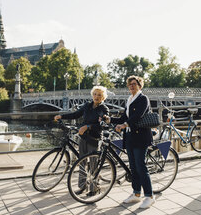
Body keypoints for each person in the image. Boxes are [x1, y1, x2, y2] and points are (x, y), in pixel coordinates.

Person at [105, 75, 155, 209]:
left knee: (140, 166)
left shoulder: (143, 98)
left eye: (134, 84)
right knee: (133, 167)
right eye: (129, 84)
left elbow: (137, 115)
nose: (131, 86)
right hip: (131, 137)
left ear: (139, 85)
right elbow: (124, 117)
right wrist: (110, 120)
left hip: (141, 137)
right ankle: (136, 193)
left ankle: (149, 196)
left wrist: (124, 125)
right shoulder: (130, 99)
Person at [54, 86, 109, 195]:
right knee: (82, 162)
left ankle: (94, 188)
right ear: (92, 95)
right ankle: (82, 186)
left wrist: (88, 126)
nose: (96, 96)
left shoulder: (103, 109)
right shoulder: (87, 105)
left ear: (103, 97)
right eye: (95, 94)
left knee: (93, 164)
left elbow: (101, 124)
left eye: (99, 95)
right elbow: (75, 114)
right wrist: (61, 116)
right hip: (83, 137)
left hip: (94, 138)